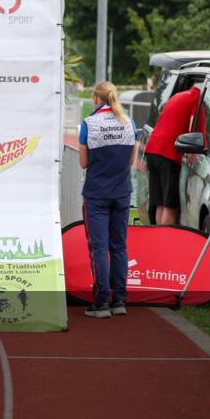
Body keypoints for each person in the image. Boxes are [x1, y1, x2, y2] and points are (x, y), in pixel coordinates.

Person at [79, 81, 138, 318]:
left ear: (96, 99)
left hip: (96, 194)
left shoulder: (89, 123)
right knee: (119, 246)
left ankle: (102, 302)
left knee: (99, 248)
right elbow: (131, 160)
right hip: (122, 192)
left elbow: (83, 163)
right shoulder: (129, 122)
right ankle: (120, 300)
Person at [143, 84, 202, 224]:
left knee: (160, 203)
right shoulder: (197, 98)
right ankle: (165, 237)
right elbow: (198, 127)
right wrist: (194, 153)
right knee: (170, 206)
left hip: (152, 150)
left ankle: (157, 235)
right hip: (168, 154)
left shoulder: (177, 96)